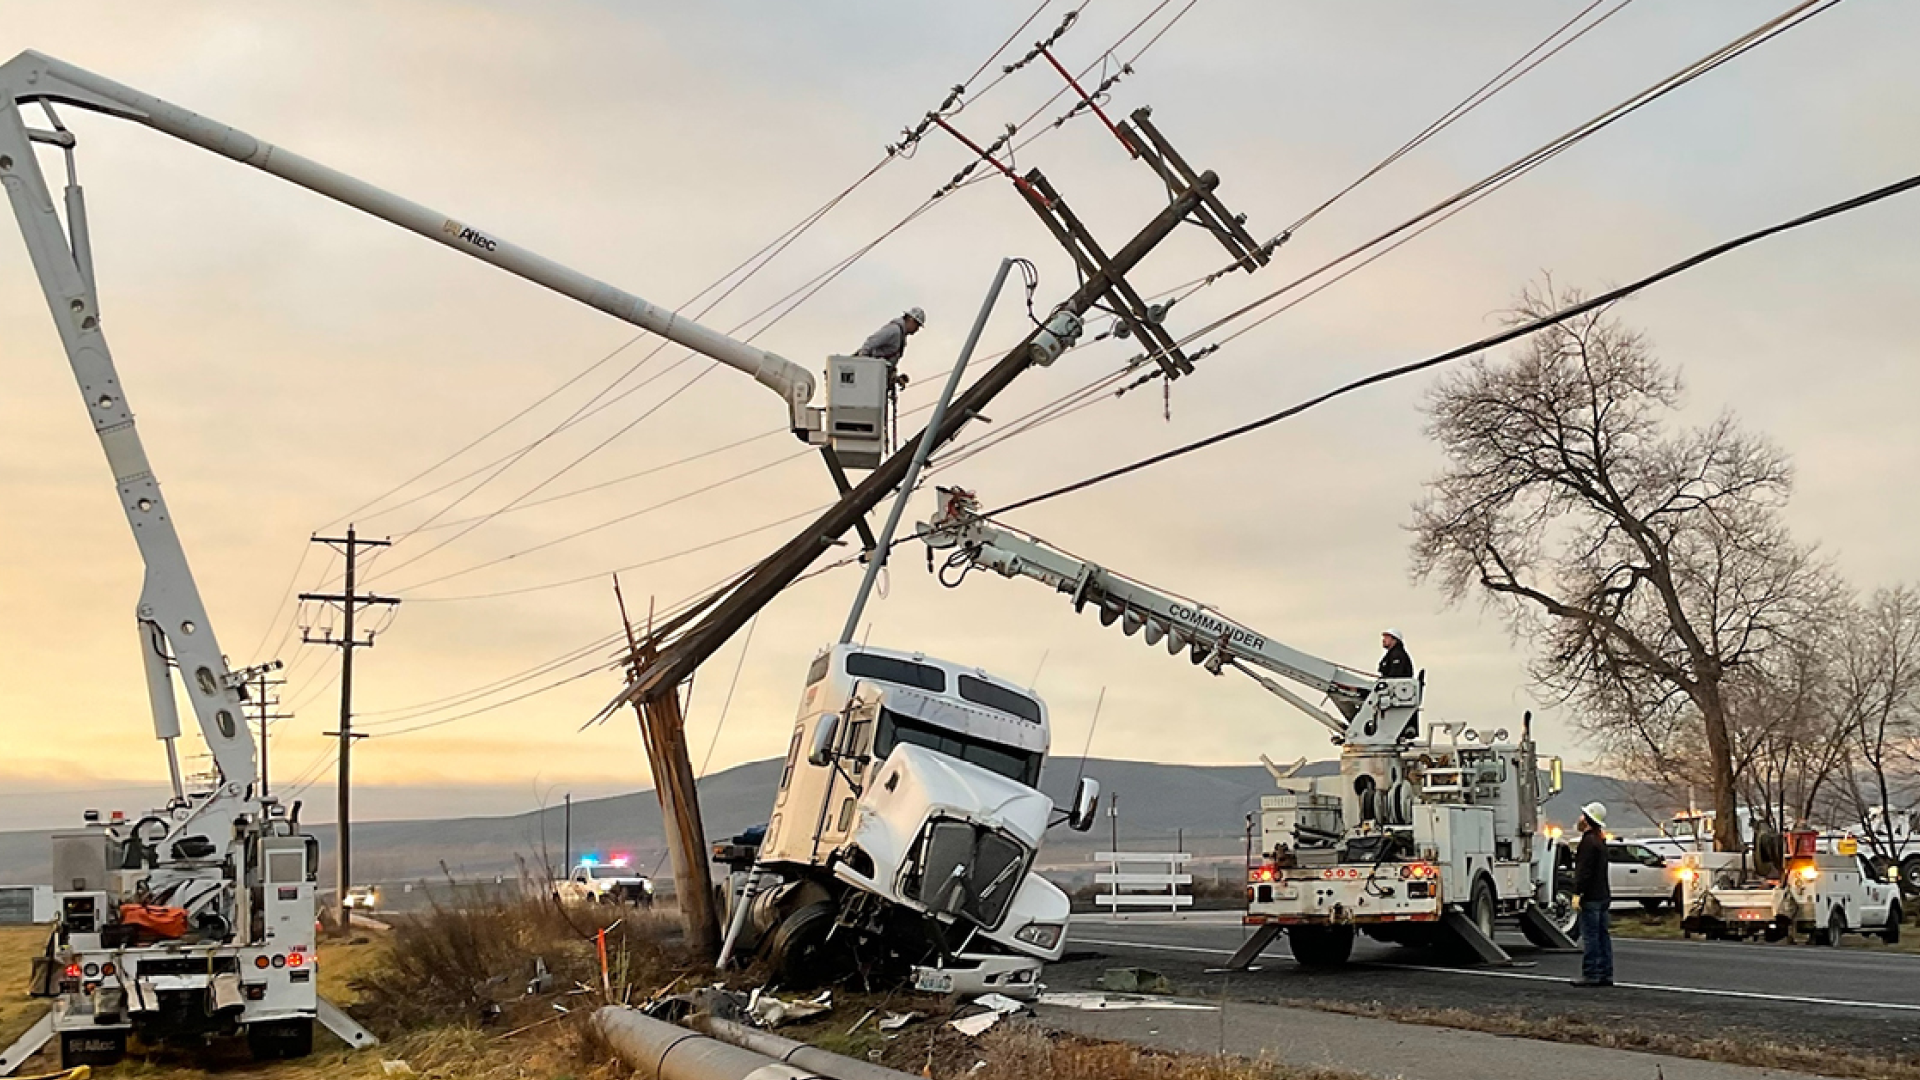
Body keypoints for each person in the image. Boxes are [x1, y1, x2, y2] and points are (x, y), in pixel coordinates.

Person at [1571, 801, 1614, 987]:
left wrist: (1577, 892)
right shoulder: (1600, 841)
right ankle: (1606, 973)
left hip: (1590, 897)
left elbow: (1584, 871)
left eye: (1583, 815)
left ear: (1588, 820)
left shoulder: (1588, 842)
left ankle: (1591, 973)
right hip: (1603, 895)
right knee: (1603, 936)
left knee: (1590, 936)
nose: (1580, 819)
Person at [854, 306, 925, 388]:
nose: (917, 329)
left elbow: (888, 361)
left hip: (876, 378)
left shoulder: (901, 337)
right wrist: (862, 365)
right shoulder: (894, 330)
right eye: (917, 325)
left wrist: (896, 378)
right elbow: (871, 342)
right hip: (869, 376)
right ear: (910, 319)